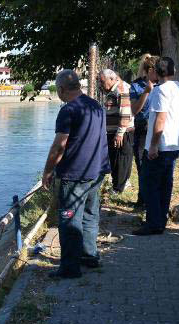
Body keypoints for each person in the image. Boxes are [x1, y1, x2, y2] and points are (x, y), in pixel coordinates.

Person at [41, 69, 110, 278]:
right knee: (90, 215)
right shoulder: (96, 106)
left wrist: (48, 171)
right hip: (97, 170)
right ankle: (90, 256)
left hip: (75, 174)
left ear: (61, 89)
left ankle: (70, 268)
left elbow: (58, 147)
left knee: (69, 220)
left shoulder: (68, 110)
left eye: (57, 90)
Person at [133, 57, 179, 236]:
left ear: (156, 72)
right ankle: (160, 219)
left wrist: (153, 146)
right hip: (175, 143)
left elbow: (160, 119)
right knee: (165, 183)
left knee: (149, 184)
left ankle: (153, 222)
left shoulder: (160, 91)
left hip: (161, 146)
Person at [130, 55, 159, 207]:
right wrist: (146, 92)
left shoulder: (163, 84)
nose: (160, 73)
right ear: (149, 71)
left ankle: (154, 199)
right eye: (157, 70)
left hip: (159, 127)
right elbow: (134, 110)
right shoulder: (136, 86)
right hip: (142, 128)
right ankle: (142, 199)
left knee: (157, 165)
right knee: (142, 164)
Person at [99, 69, 135, 194]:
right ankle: (120, 184)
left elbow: (125, 113)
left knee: (121, 160)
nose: (101, 84)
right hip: (114, 132)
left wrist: (119, 133)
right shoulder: (112, 90)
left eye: (102, 81)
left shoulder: (121, 89)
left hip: (122, 133)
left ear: (112, 79)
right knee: (116, 159)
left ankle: (118, 188)